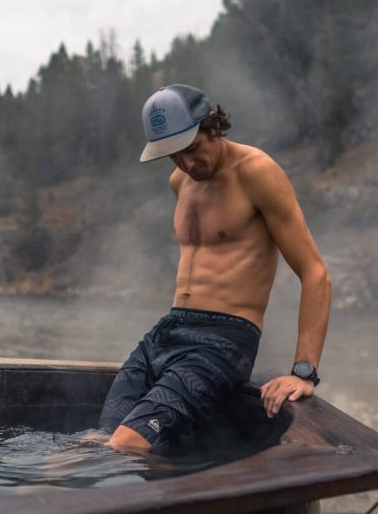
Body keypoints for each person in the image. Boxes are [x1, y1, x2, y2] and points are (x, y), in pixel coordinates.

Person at [99, 83, 332, 454]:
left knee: (127, 443)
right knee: (96, 440)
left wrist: (304, 373)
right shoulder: (180, 182)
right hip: (170, 329)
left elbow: (315, 272)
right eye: (174, 155)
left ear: (214, 127)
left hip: (224, 340)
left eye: (192, 149)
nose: (187, 164)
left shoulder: (256, 171)